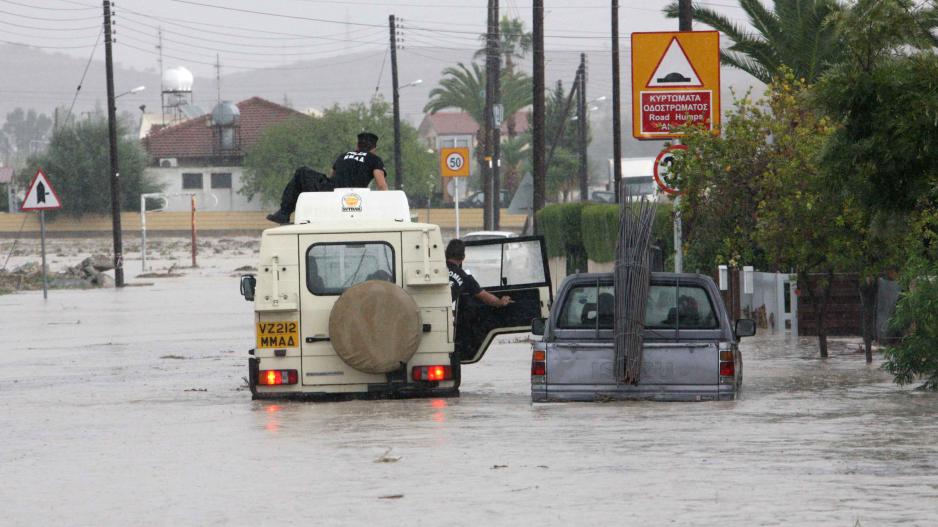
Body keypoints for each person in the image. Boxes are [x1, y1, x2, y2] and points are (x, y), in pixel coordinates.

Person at [266, 132, 389, 224]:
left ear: (357, 145)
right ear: (374, 149)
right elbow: (381, 184)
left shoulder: (344, 155)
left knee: (301, 172)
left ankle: (284, 213)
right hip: (354, 197)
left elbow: (331, 175)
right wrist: (386, 207)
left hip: (332, 191)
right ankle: (286, 213)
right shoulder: (375, 159)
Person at [445, 239, 511, 308]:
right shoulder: (464, 277)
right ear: (463, 257)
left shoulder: (434, 269)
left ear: (446, 254)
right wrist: (500, 302)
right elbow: (484, 296)